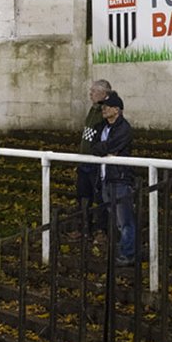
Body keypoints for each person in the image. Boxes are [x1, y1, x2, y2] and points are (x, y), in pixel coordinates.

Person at [92, 92, 136, 264]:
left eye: (107, 107)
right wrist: (104, 149)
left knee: (125, 221)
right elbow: (95, 146)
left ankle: (128, 254)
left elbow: (109, 146)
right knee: (117, 220)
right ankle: (122, 251)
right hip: (106, 178)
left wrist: (104, 149)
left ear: (117, 110)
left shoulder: (124, 128)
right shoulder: (102, 127)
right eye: (103, 106)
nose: (104, 109)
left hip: (120, 179)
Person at [76, 79, 111, 231]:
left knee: (99, 198)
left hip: (95, 163)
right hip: (83, 161)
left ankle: (101, 230)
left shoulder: (105, 112)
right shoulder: (92, 110)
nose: (90, 94)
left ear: (104, 94)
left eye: (94, 91)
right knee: (83, 197)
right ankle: (84, 227)